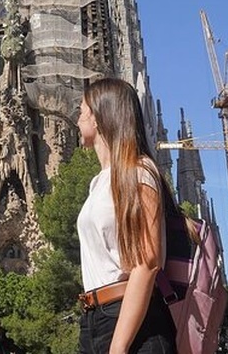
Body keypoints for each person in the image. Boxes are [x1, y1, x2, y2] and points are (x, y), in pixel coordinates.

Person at [76, 78, 177, 354]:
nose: (77, 119)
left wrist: (119, 346)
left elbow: (147, 262)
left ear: (98, 117)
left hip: (131, 318)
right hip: (93, 318)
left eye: (81, 111)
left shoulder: (139, 171)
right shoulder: (97, 183)